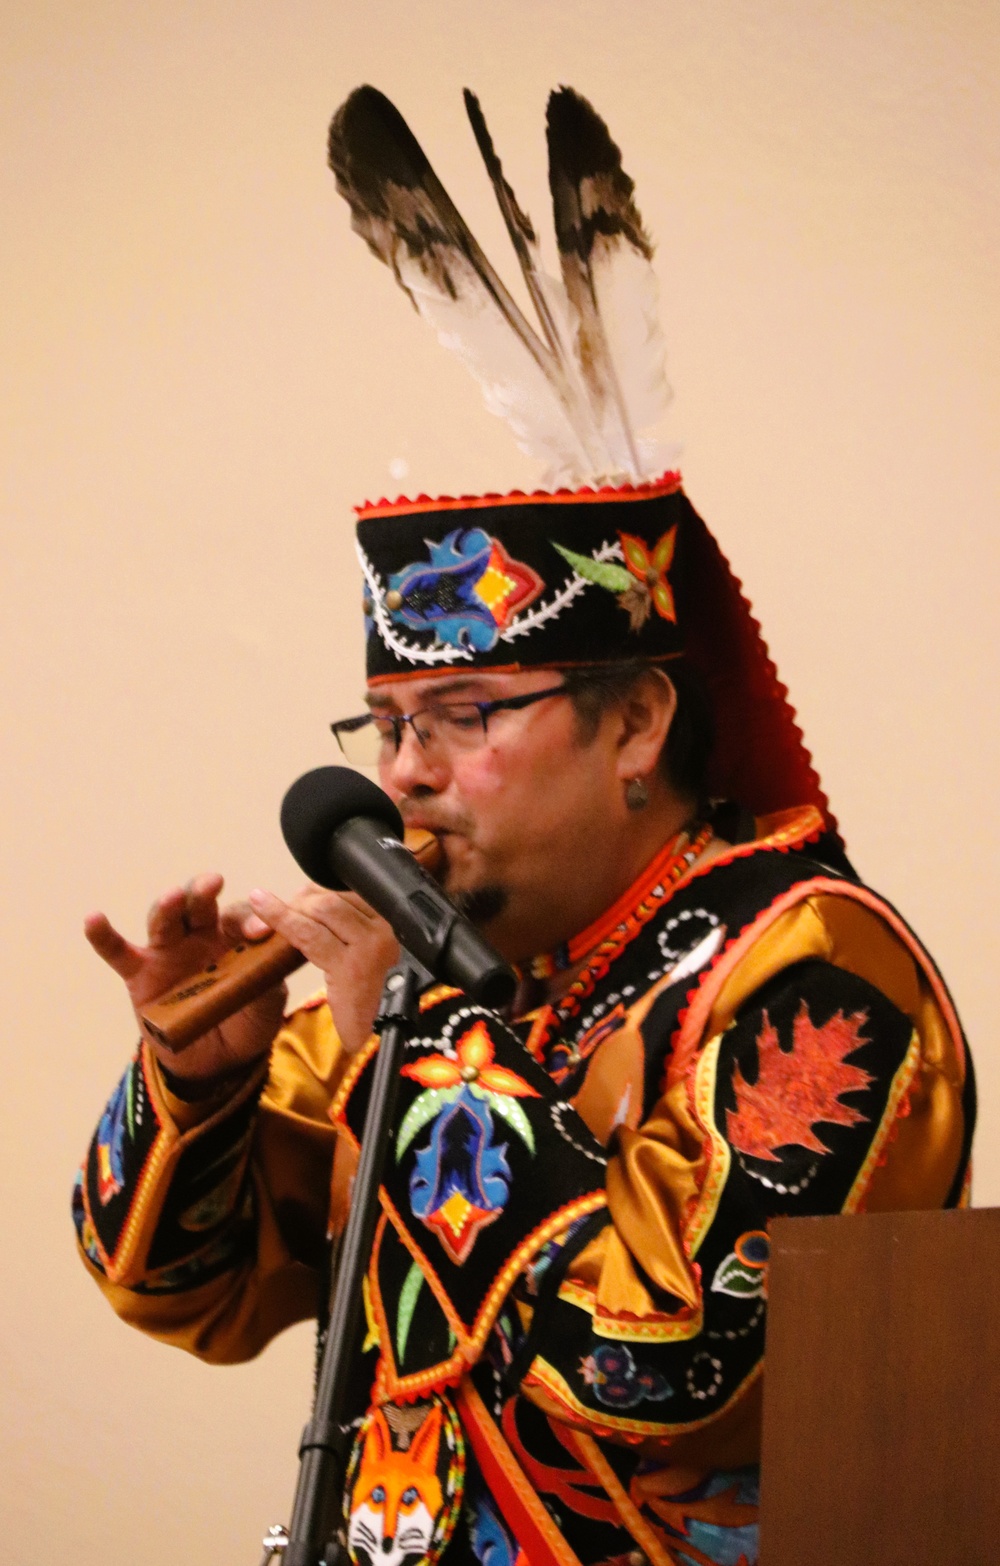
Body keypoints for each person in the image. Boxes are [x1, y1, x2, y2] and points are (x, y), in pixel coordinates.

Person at [74, 87, 974, 1566]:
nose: (407, 772)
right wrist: (200, 1082)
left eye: (469, 712)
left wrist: (409, 1058)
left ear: (635, 724)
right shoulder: (412, 978)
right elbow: (174, 1288)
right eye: (389, 724)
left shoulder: (813, 969)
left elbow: (667, 1363)